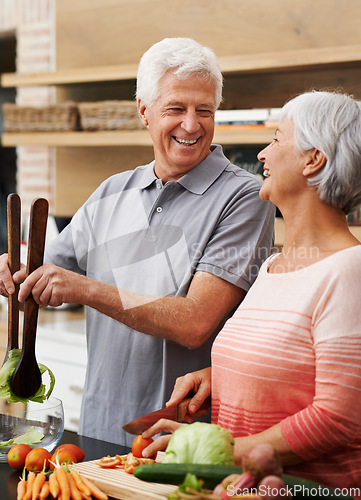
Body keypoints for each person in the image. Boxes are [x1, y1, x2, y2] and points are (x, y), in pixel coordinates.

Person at [0, 38, 275, 447]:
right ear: (144, 111)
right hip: (98, 429)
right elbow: (41, 283)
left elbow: (195, 323)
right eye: (176, 109)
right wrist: (13, 274)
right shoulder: (112, 191)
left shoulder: (244, 198)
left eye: (205, 110)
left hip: (181, 440)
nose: (191, 124)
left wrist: (84, 289)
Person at [140, 90, 361, 493]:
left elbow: (339, 416)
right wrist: (223, 375)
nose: (262, 154)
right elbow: (298, 362)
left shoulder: (350, 271)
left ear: (313, 159)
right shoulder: (272, 266)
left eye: (277, 139)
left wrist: (220, 449)